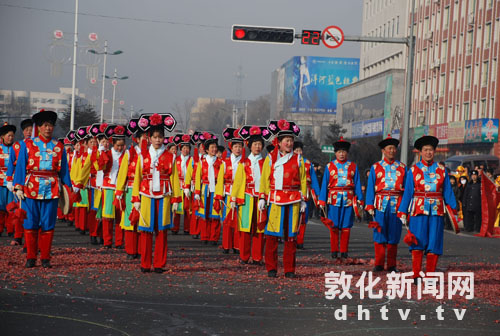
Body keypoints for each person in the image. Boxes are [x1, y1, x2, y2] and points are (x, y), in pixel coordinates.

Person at [13, 110, 73, 268]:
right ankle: (31, 257)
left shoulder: (59, 147)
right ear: (38, 127)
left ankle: (45, 257)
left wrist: (69, 189)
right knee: (30, 224)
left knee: (48, 224)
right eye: (45, 125)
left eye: (51, 125)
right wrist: (17, 186)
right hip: (30, 189)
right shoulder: (27, 145)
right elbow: (20, 167)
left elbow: (64, 170)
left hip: (51, 189)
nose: (48, 128)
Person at [397, 135, 457, 282]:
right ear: (420, 152)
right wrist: (402, 211)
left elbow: (448, 192)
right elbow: (408, 192)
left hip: (436, 211)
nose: (428, 153)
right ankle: (417, 274)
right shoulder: (413, 171)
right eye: (425, 150)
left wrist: (454, 210)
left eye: (431, 150)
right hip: (418, 211)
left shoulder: (442, 171)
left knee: (434, 242)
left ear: (434, 151)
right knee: (417, 241)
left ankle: (430, 275)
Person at [132, 113, 181, 273]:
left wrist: (175, 200)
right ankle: (145, 264)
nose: (158, 140)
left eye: (160, 137)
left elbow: (174, 178)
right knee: (146, 231)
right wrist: (135, 198)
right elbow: (137, 177)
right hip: (146, 195)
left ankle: (160, 263)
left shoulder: (171, 156)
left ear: (164, 138)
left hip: (164, 196)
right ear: (149, 138)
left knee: (162, 231)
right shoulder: (142, 156)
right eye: (154, 137)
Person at [258, 119, 307, 278]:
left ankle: (289, 269)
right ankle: (271, 268)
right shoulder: (270, 159)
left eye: (291, 140)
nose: (289, 143)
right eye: (286, 140)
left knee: (290, 237)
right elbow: (265, 179)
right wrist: (262, 198)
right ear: (278, 142)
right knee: (271, 236)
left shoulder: (298, 159)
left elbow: (303, 180)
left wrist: (303, 200)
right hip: (275, 200)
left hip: (293, 200)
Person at [364, 135, 406, 272]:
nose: (392, 151)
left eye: (394, 148)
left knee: (394, 235)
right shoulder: (375, 167)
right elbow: (370, 187)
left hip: (397, 204)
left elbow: (407, 189)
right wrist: (369, 204)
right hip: (380, 204)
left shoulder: (402, 168)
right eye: (389, 148)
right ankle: (379, 263)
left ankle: (392, 264)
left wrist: (405, 208)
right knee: (379, 233)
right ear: (383, 150)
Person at [231, 125, 271, 264]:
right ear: (249, 146)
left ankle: (258, 256)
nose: (258, 147)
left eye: (260, 144)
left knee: (259, 228)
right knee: (245, 227)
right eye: (255, 144)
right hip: (246, 197)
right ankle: (244, 255)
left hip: (260, 197)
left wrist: (264, 196)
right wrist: (233, 197)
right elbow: (238, 181)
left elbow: (268, 180)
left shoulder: (266, 162)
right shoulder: (244, 163)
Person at [318, 137, 363, 259]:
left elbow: (357, 183)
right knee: (334, 225)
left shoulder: (353, 166)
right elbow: (324, 184)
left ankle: (344, 250)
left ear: (347, 153)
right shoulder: (329, 166)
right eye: (339, 152)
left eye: (344, 152)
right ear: (335, 153)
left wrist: (360, 198)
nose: (341, 154)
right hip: (333, 199)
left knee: (346, 225)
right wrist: (322, 200)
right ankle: (334, 250)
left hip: (348, 199)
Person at [116, 119, 148, 259]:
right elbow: (122, 173)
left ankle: (142, 250)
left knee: (143, 220)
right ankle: (131, 250)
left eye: (148, 138)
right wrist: (119, 191)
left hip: (146, 191)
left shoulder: (152, 154)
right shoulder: (130, 154)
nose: (146, 141)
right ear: (137, 139)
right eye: (144, 138)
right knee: (130, 220)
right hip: (130, 190)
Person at [215, 127, 244, 252]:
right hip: (227, 193)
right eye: (235, 146)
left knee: (238, 221)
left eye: (240, 146)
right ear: (231, 148)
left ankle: (237, 245)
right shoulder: (225, 163)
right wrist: (219, 195)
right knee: (227, 221)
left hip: (240, 194)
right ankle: (226, 245)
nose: (238, 149)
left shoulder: (244, 163)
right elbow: (220, 179)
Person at [194, 132, 223, 245]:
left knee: (215, 214)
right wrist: (197, 191)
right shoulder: (202, 162)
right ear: (206, 150)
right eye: (212, 147)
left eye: (215, 147)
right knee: (204, 214)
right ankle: (205, 235)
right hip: (205, 189)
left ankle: (214, 237)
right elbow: (198, 177)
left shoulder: (221, 163)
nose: (214, 149)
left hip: (216, 189)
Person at [292, 141, 320, 250]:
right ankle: (291, 239)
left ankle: (300, 241)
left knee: (304, 218)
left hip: (305, 193)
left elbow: (314, 180)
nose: (298, 152)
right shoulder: (288, 161)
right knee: (292, 217)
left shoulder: (308, 163)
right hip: (292, 193)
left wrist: (318, 194)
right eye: (296, 150)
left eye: (300, 150)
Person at [172, 133, 194, 235]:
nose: (185, 150)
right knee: (176, 208)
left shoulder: (192, 160)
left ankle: (187, 228)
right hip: (178, 186)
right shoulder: (176, 160)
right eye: (184, 148)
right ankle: (175, 227)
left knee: (187, 208)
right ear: (181, 149)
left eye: (187, 148)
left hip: (188, 187)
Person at [0, 122, 16, 237]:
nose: (10, 138)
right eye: (8, 135)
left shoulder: (17, 149)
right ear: (2, 137)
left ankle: (11, 229)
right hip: (0, 182)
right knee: (0, 206)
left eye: (12, 136)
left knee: (11, 206)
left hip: (12, 182)